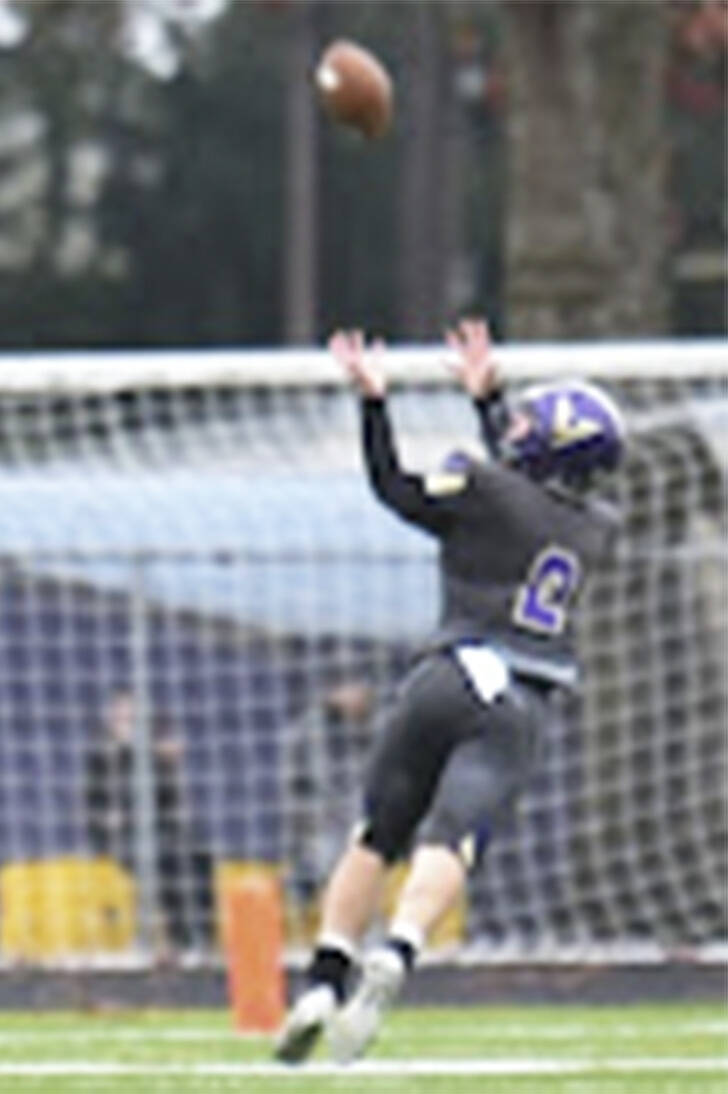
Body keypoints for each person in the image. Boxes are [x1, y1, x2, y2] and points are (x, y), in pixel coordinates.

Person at [275, 319, 624, 1065]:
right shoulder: (599, 528)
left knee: (378, 830)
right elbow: (530, 491)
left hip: (447, 672)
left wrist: (374, 404)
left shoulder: (484, 484)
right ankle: (398, 950)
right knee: (453, 837)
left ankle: (323, 975)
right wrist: (489, 399)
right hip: (521, 698)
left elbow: (395, 486)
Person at [83, 687, 212, 953]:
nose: (128, 724)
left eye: (133, 717)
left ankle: (202, 938)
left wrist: (167, 764)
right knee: (165, 862)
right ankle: (179, 939)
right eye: (122, 717)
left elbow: (168, 801)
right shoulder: (102, 757)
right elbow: (97, 805)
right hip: (122, 837)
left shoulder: (154, 757)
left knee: (197, 856)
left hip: (161, 832)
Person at [279, 680, 375, 925]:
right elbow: (298, 780)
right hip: (318, 819)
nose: (355, 696)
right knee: (328, 856)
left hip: (356, 817)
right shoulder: (311, 729)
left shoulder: (374, 726)